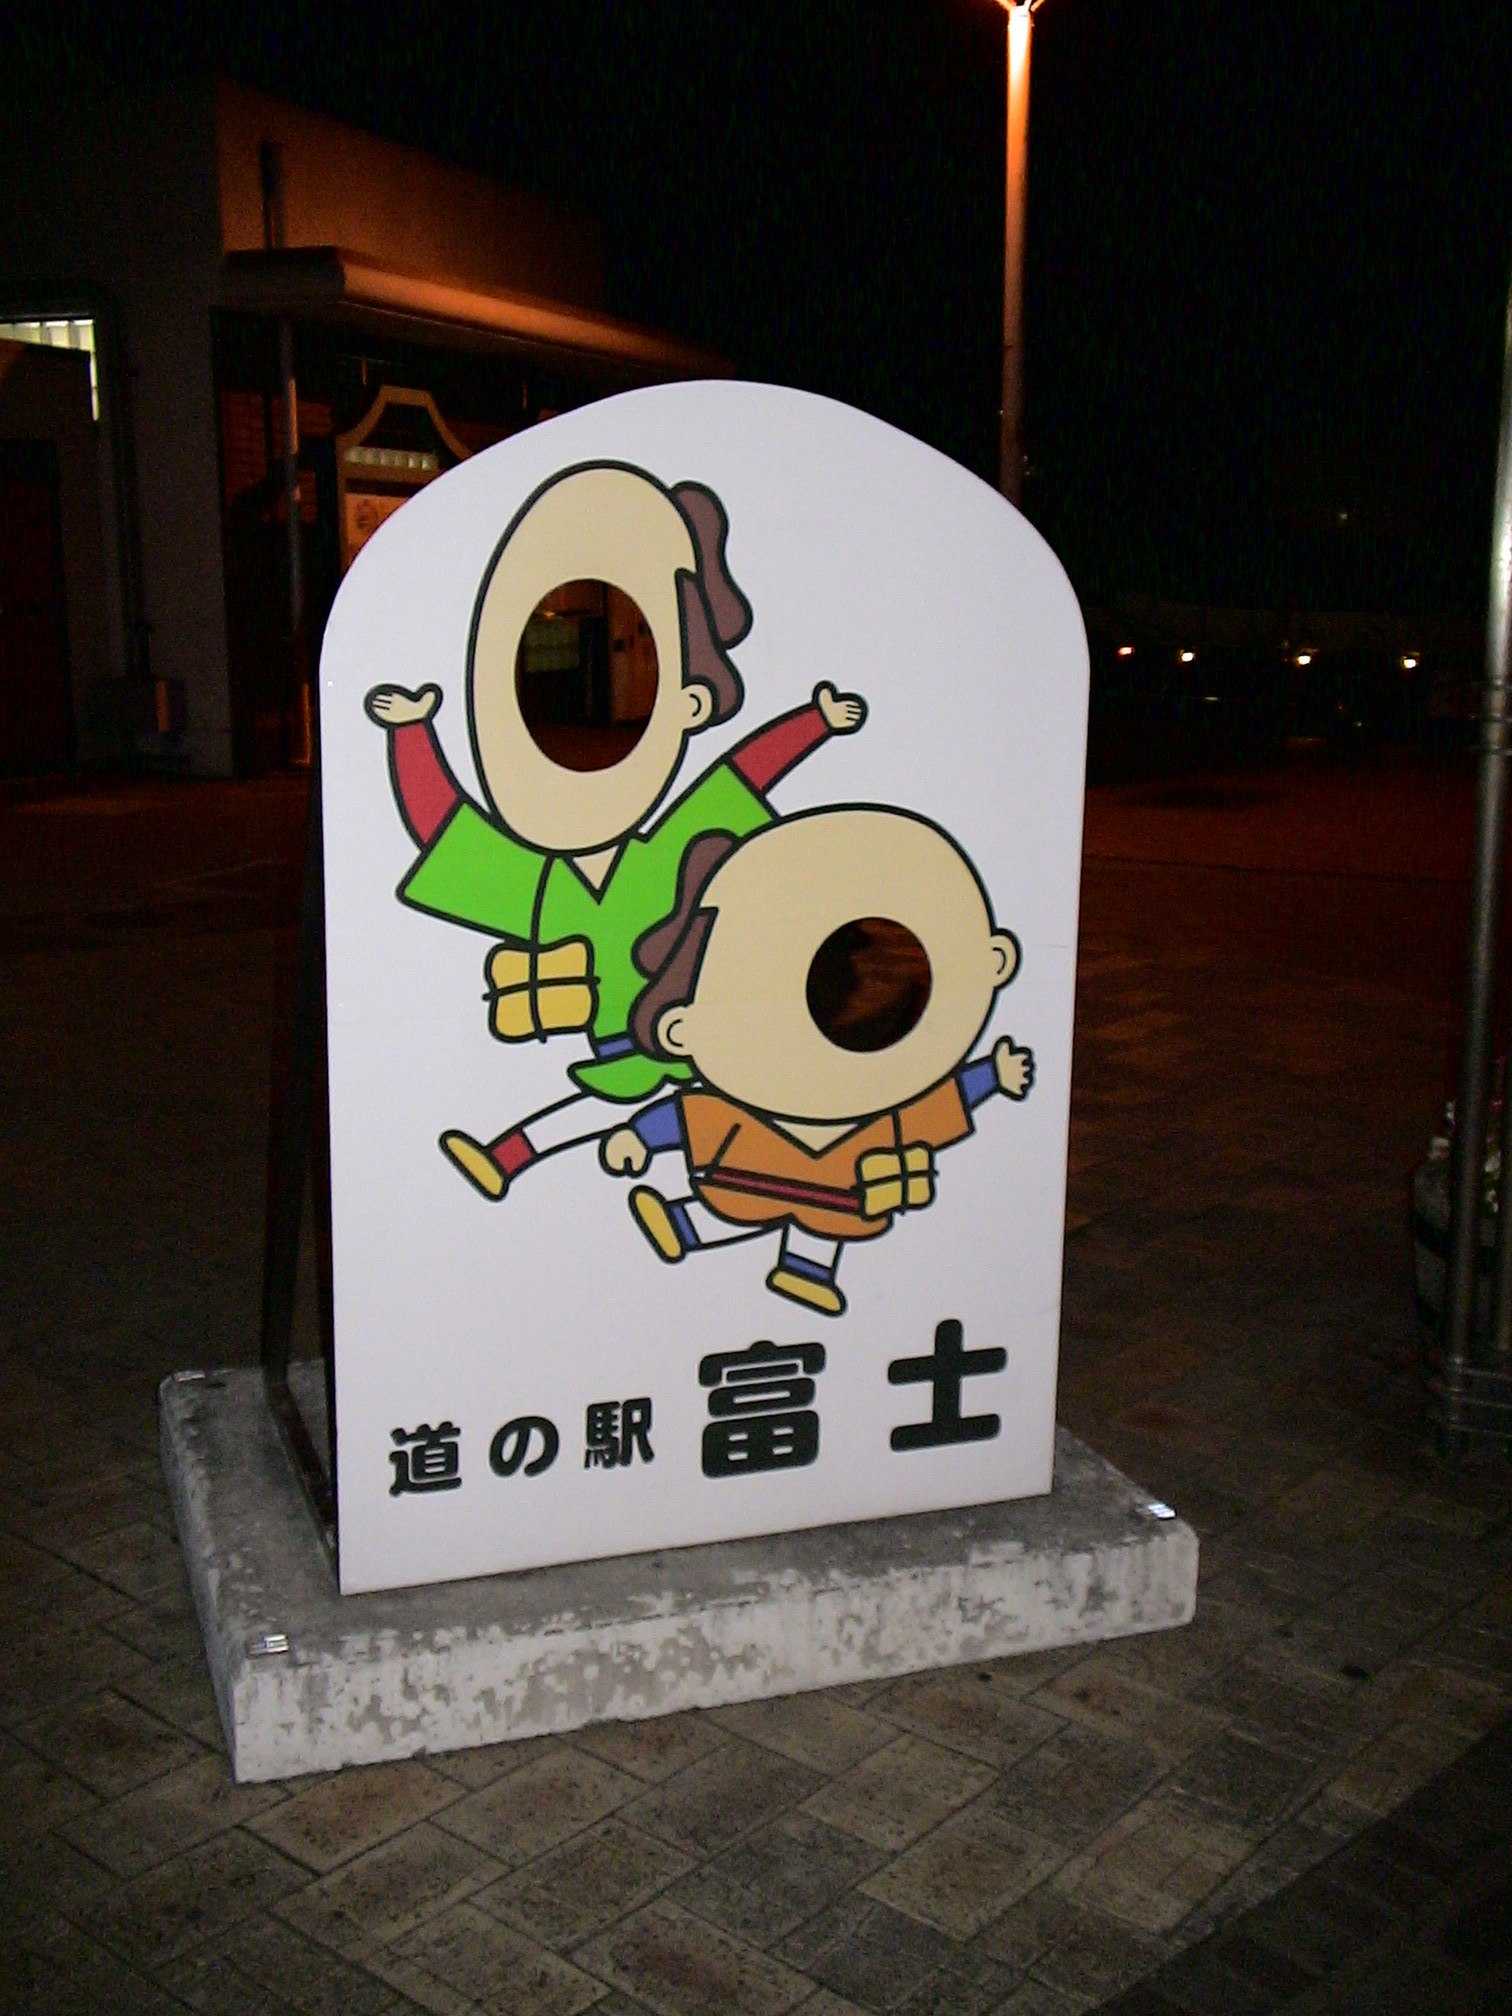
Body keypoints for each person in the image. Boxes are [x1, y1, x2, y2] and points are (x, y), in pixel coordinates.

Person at [366, 460, 866, 1201]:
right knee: (638, 1110)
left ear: (690, 705)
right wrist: (411, 733)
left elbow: (745, 773)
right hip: (633, 1041)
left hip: (696, 1026)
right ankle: (537, 1163)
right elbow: (446, 831)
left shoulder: (662, 850)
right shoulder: (543, 883)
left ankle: (540, 1163)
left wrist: (814, 724)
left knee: (691, 1114)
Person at [601, 807, 1034, 1316]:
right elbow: (684, 1116)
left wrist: (992, 1075)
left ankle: (804, 1273)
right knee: (734, 1206)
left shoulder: (882, 1110)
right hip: (747, 1176)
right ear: (680, 1027)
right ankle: (682, 1225)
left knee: (817, 1225)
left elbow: (944, 1101)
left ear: (995, 961)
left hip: (838, 1186)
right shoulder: (740, 1109)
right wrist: (640, 1136)